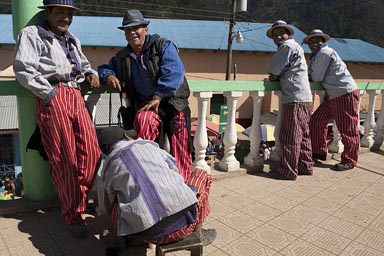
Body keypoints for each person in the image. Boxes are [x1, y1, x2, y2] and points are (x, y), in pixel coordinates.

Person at [13, 0, 101, 238]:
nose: (66, 18)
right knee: (65, 157)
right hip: (53, 93)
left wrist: (91, 72)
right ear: (48, 12)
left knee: (91, 153)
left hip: (75, 94)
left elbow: (81, 63)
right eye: (60, 12)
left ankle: (78, 199)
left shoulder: (71, 39)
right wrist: (49, 94)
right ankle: (73, 215)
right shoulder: (32, 34)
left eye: (69, 13)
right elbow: (24, 69)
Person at [98, 9, 193, 182]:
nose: (133, 32)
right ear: (125, 34)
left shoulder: (163, 46)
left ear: (145, 30)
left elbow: (174, 72)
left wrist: (158, 96)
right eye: (128, 29)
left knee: (181, 144)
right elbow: (104, 68)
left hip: (173, 103)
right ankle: (150, 180)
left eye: (137, 28)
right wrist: (109, 76)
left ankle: (183, 185)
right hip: (148, 105)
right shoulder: (123, 57)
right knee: (143, 130)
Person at [96, 126, 216, 252]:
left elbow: (105, 206)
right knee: (202, 175)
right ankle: (198, 233)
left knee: (115, 198)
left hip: (144, 235)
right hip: (185, 225)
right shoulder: (148, 144)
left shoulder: (109, 165)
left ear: (105, 150)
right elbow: (173, 167)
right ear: (127, 136)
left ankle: (119, 240)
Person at [303, 29, 360, 171]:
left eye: (317, 40)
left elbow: (316, 77)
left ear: (323, 41)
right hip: (334, 95)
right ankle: (319, 151)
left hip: (344, 93)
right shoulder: (318, 55)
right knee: (316, 120)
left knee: (348, 129)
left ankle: (350, 160)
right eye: (311, 41)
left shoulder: (324, 53)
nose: (314, 43)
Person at [266, 20, 313, 180]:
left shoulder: (287, 47)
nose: (278, 37)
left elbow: (275, 69)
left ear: (288, 33)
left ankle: (288, 170)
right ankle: (305, 165)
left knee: (290, 136)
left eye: (281, 33)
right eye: (275, 35)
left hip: (294, 98)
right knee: (304, 134)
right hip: (305, 97)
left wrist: (272, 76)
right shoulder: (296, 47)